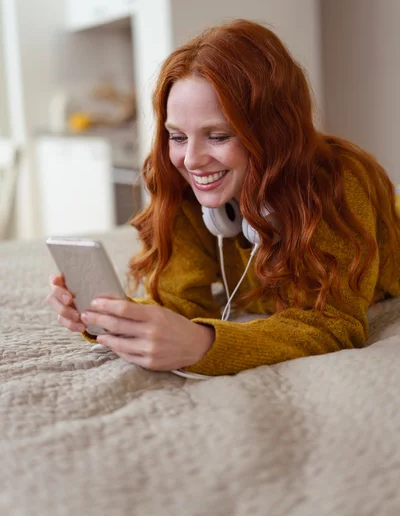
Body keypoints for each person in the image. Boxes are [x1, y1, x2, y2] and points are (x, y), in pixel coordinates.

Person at [46, 19, 400, 377]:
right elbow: (179, 303)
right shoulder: (178, 183)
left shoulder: (337, 181)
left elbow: (334, 323)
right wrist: (110, 315)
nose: (191, 160)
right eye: (178, 137)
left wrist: (206, 344)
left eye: (217, 136)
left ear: (272, 131)